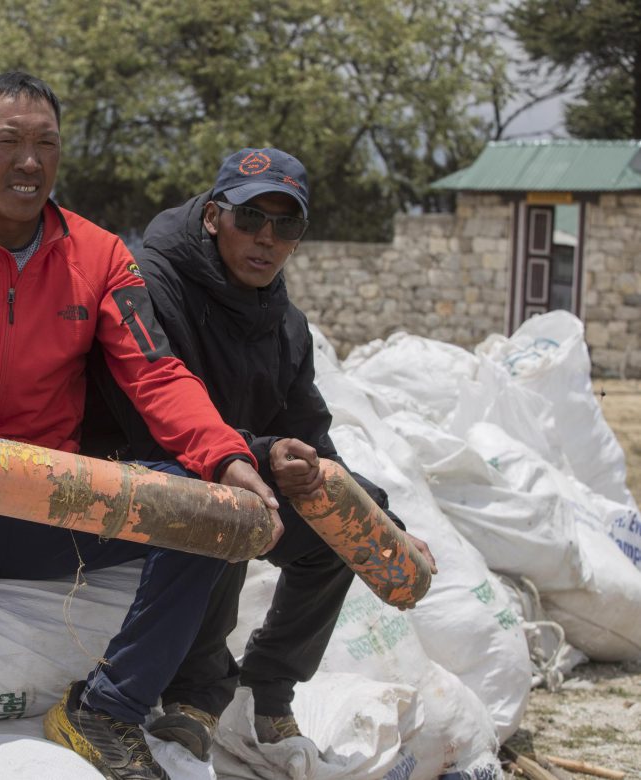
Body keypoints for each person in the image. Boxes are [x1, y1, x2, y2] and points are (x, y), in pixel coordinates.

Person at [0, 72, 284, 779]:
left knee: (207, 508)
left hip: (54, 506)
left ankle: (108, 710)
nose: (29, 161)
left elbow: (156, 373)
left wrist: (227, 458)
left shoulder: (100, 256)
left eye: (46, 143)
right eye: (7, 141)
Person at [82, 147, 437, 758]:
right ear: (214, 216)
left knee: (343, 516)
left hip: (244, 471)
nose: (266, 239)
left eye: (286, 225)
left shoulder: (285, 322)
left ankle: (269, 688)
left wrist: (383, 527)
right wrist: (266, 455)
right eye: (250, 219)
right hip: (135, 470)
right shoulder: (150, 282)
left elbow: (314, 440)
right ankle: (196, 692)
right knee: (230, 501)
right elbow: (153, 419)